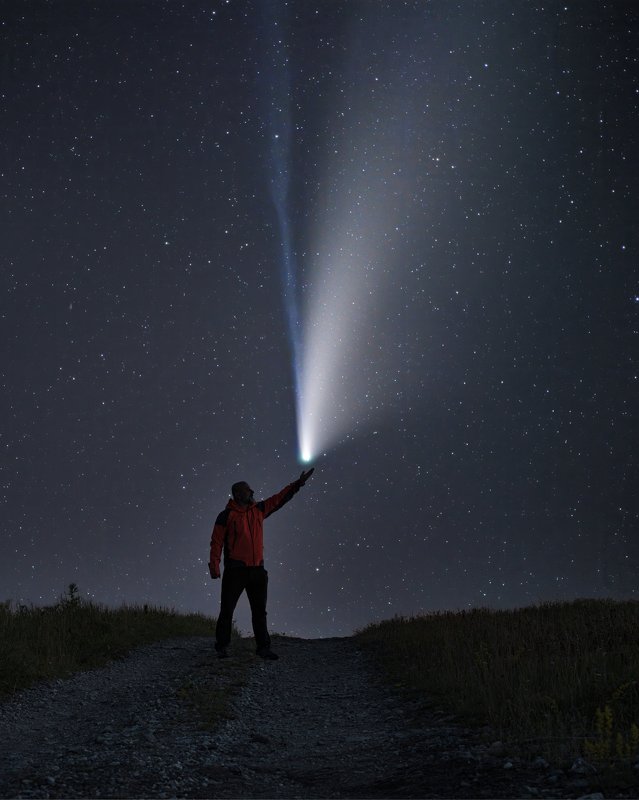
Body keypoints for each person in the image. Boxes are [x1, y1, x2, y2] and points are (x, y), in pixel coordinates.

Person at [209, 468, 314, 660]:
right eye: (249, 490)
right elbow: (216, 542)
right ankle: (222, 646)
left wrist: (297, 484)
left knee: (259, 611)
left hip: (257, 570)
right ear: (239, 494)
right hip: (236, 570)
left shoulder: (258, 510)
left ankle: (263, 648)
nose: (253, 492)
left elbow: (279, 499)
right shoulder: (226, 516)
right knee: (227, 609)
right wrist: (214, 567)